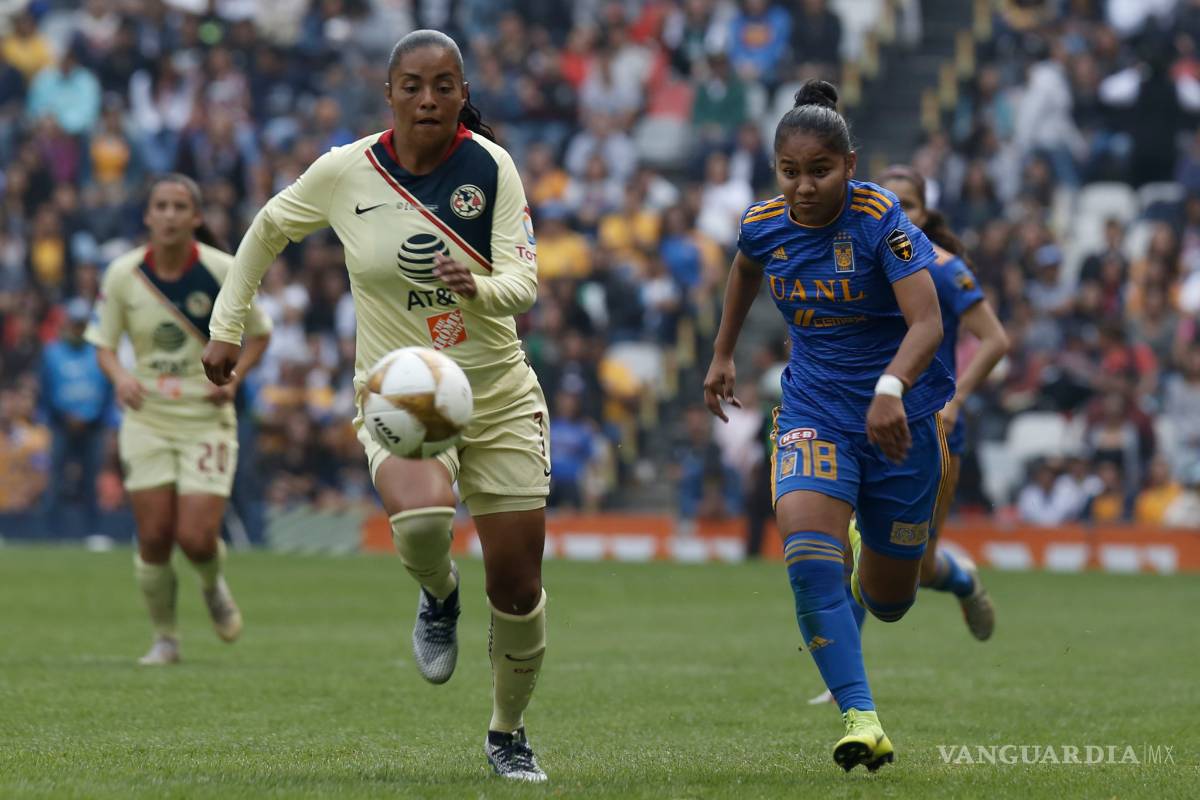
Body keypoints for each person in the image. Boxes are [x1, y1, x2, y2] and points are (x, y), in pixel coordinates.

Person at [203, 30, 552, 783]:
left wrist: (477, 286)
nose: (429, 99)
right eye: (414, 85)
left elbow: (524, 284)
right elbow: (267, 230)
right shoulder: (345, 170)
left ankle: (508, 731)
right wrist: (227, 325)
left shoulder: (493, 170)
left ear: (463, 93)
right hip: (400, 391)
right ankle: (437, 596)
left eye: (445, 86)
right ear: (388, 92)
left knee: (519, 588)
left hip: (494, 394)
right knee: (424, 522)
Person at [703, 80, 953, 772]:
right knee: (809, 561)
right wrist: (722, 352)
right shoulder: (764, 223)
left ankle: (869, 540)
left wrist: (890, 388)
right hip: (814, 411)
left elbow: (928, 323)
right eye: (790, 172)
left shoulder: (880, 221)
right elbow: (744, 268)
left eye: (819, 171)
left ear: (850, 164)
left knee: (890, 599)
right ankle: (861, 717)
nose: (803, 186)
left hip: (898, 420)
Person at [86, 174, 272, 666]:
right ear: (148, 216)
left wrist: (234, 380)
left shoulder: (223, 269)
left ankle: (212, 585)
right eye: (160, 206)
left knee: (194, 537)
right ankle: (165, 638)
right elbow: (102, 343)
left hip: (205, 416)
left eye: (179, 207)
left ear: (196, 217)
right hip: (147, 416)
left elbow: (259, 334)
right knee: (153, 536)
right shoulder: (123, 273)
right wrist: (121, 377)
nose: (168, 215)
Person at [39, 297, 113, 539]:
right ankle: (51, 533)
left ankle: (94, 533)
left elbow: (106, 391)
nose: (78, 328)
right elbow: (46, 391)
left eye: (82, 324)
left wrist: (91, 418)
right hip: (62, 425)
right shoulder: (51, 353)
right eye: (74, 323)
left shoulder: (97, 353)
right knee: (55, 480)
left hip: (93, 426)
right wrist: (64, 416)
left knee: (92, 480)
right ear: (66, 323)